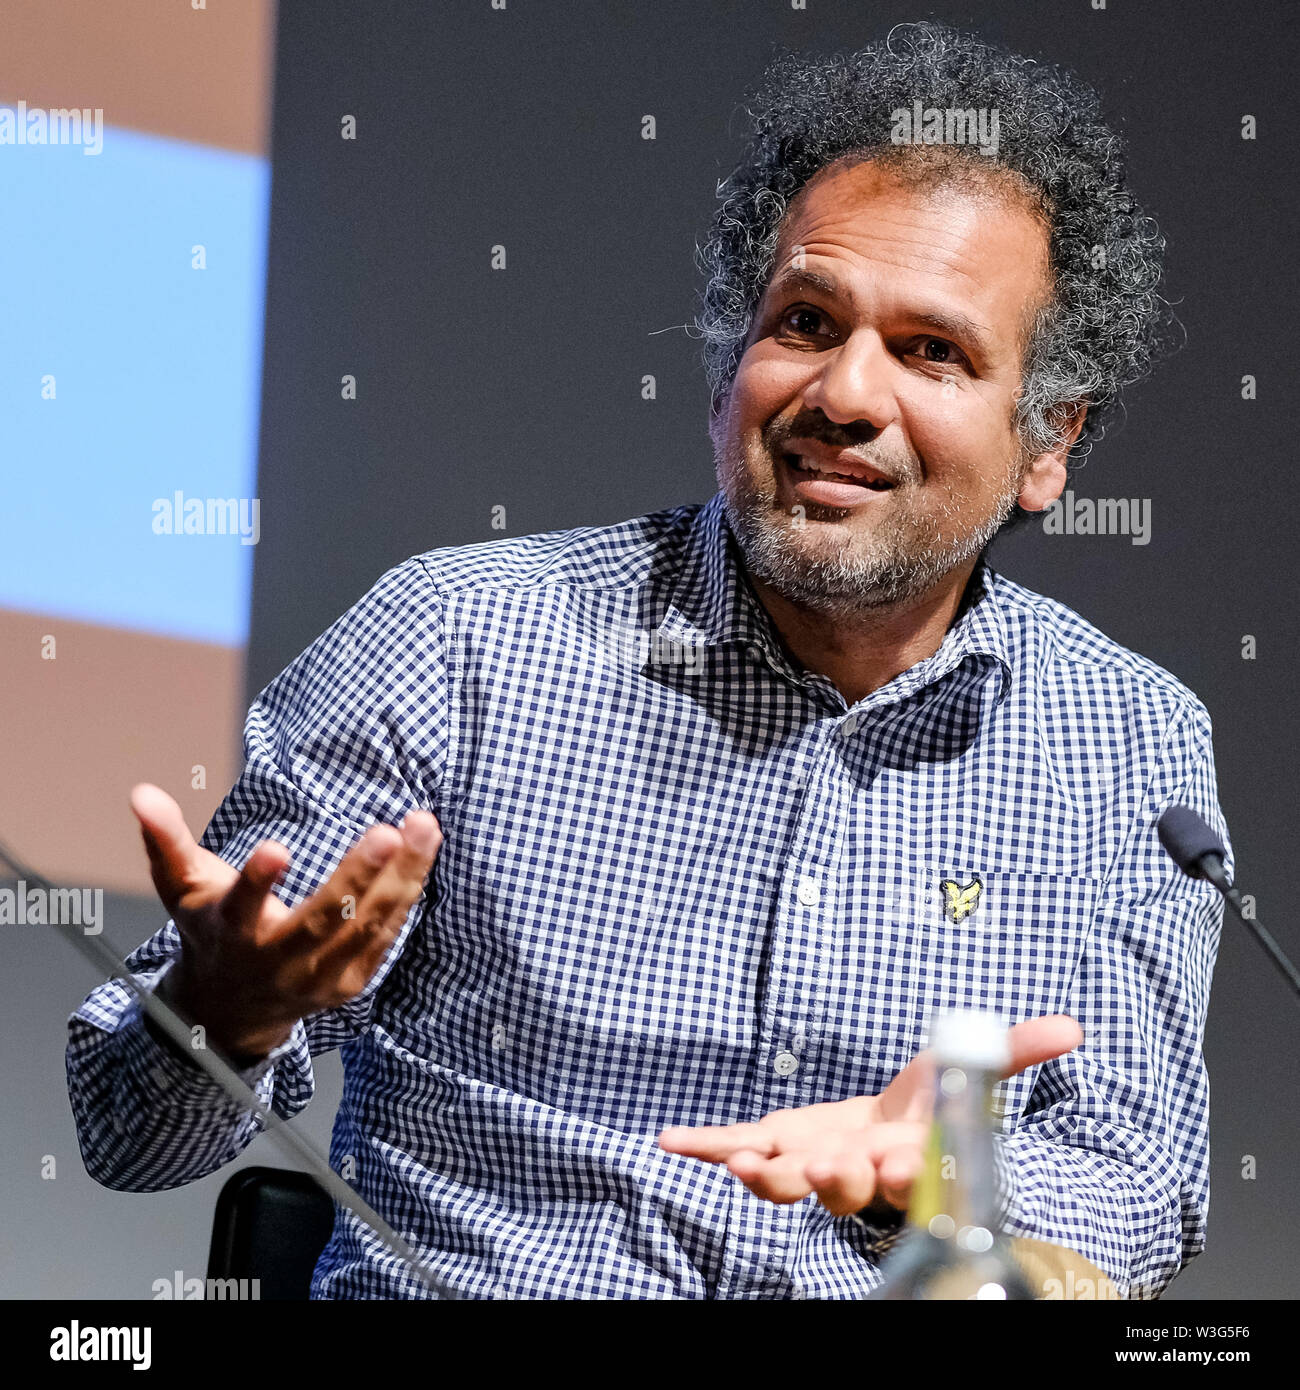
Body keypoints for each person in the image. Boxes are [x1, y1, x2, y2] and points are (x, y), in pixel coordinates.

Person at [67, 22, 1230, 1299]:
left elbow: (1141, 1183)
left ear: (1047, 442)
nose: (843, 392)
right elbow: (128, 1136)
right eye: (804, 319)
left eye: (930, 351)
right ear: (733, 361)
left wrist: (936, 1176)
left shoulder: (1128, 741)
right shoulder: (454, 641)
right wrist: (225, 1011)